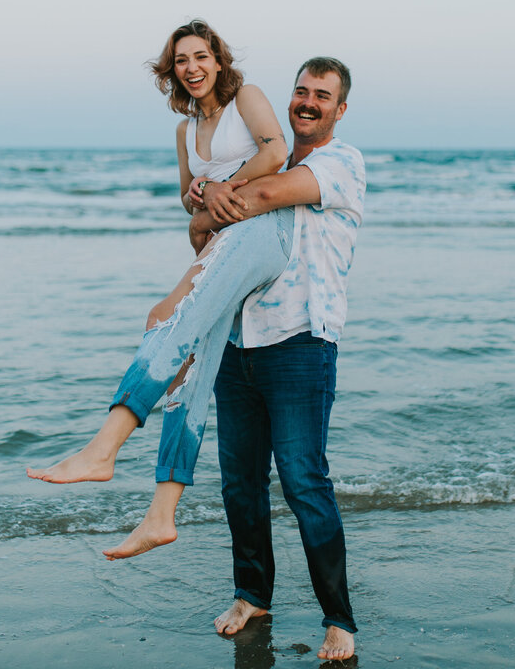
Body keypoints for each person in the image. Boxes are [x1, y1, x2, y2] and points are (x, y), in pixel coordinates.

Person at [27, 20, 290, 560]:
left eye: (200, 56)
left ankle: (104, 448)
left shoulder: (248, 97)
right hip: (220, 239)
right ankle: (161, 514)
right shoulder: (183, 131)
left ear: (218, 59)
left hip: (263, 230)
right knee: (192, 358)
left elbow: (275, 153)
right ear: (171, 71)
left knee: (167, 316)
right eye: (180, 61)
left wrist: (222, 185)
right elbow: (185, 198)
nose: (191, 68)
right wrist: (197, 192)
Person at [189, 58, 364, 662]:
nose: (307, 103)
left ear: (340, 109)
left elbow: (256, 197)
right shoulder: (262, 163)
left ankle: (339, 620)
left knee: (303, 481)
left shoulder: (339, 164)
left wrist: (216, 193)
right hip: (238, 341)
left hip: (301, 343)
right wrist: (208, 199)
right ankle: (251, 595)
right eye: (301, 92)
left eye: (323, 95)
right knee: (240, 483)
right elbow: (200, 233)